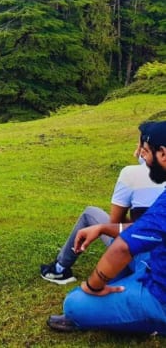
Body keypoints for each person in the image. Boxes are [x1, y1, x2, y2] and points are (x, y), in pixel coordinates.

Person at [48, 121, 166, 334]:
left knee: (74, 304)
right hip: (153, 263)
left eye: (146, 152)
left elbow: (121, 248)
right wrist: (103, 229)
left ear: (163, 154)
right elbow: (142, 230)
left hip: (159, 297)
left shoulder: (139, 180)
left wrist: (92, 286)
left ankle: (150, 320)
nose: (142, 158)